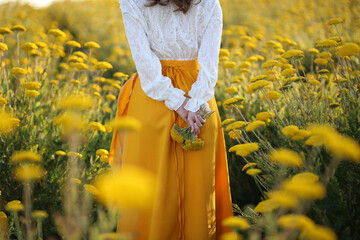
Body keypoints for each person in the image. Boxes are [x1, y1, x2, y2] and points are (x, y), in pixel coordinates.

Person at [108, 0, 233, 239]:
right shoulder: (209, 4)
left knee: (151, 198)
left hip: (151, 104)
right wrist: (193, 104)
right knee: (199, 196)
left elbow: (146, 67)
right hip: (200, 107)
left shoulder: (132, 3)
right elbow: (209, 69)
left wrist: (182, 104)